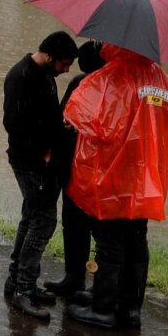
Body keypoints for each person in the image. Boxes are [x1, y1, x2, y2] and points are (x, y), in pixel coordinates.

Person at [62, 43, 168, 330]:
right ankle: (130, 309)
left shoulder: (109, 78)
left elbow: (81, 116)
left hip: (112, 176)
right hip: (146, 181)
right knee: (136, 242)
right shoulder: (162, 81)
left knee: (109, 243)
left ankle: (103, 309)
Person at [2, 30, 78, 320]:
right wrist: (42, 151)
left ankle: (17, 282)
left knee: (31, 217)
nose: (67, 69)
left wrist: (61, 129)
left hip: (42, 159)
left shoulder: (46, 76)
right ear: (49, 56)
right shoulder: (20, 77)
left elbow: (45, 117)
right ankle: (24, 290)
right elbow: (13, 124)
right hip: (29, 161)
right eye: (64, 63)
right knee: (43, 222)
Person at [43, 40, 106, 305]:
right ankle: (74, 276)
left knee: (101, 231)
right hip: (75, 167)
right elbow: (61, 120)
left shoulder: (115, 90)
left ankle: (99, 286)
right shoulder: (79, 84)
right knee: (73, 222)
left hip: (100, 171)